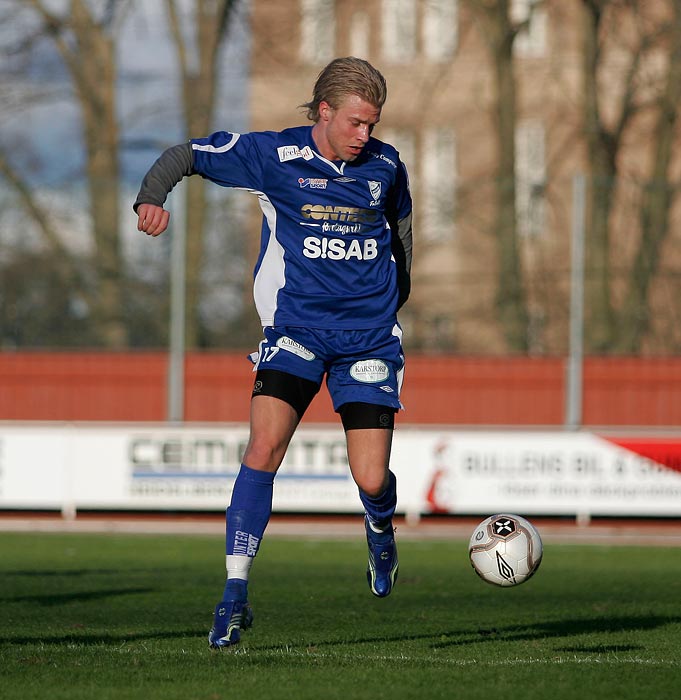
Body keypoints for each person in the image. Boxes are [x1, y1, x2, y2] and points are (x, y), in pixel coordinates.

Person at [134, 56, 413, 649]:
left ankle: (380, 524)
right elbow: (184, 155)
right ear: (324, 111)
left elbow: (402, 241)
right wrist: (150, 198)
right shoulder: (272, 156)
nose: (367, 136)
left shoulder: (387, 165)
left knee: (369, 476)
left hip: (367, 337)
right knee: (263, 446)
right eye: (358, 123)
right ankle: (234, 597)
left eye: (374, 124)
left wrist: (390, 309)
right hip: (296, 330)